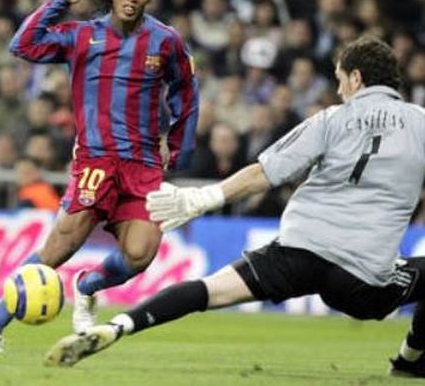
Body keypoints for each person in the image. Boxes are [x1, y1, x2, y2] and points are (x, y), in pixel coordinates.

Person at [43, 36, 425, 378]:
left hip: (299, 252)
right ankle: (409, 362)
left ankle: (117, 327)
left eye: (341, 80)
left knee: (209, 291)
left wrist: (204, 197)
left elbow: (266, 172)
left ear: (356, 78)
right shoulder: (421, 124)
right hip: (363, 278)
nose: (340, 90)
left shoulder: (331, 119)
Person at [0, 0, 198, 352]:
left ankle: (89, 285)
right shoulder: (82, 35)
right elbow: (23, 46)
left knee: (140, 254)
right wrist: (59, 3)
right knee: (62, 243)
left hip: (142, 165)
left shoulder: (166, 41)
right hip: (96, 158)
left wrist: (176, 146)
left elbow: (186, 93)